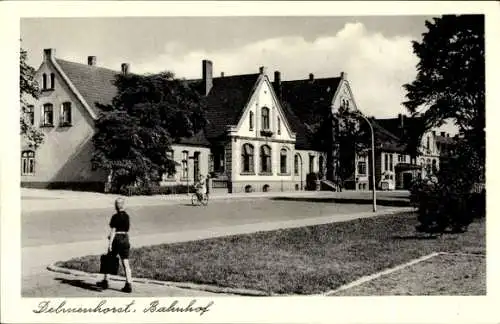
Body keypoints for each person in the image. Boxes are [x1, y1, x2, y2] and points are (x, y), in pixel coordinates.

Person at [97, 197, 133, 293]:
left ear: (116, 206)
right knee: (125, 262)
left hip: (117, 239)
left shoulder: (115, 217)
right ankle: (128, 284)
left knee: (109, 259)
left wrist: (110, 244)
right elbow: (125, 229)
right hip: (125, 238)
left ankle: (105, 281)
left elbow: (113, 231)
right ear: (123, 205)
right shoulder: (127, 216)